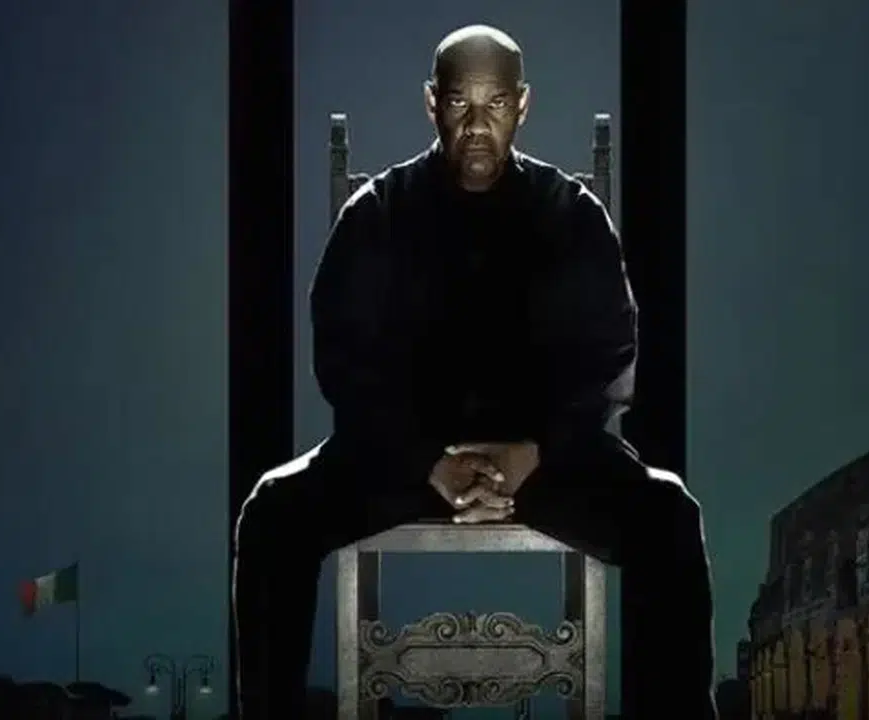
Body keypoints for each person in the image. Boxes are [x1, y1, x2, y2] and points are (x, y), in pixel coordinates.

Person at [234, 24, 716, 719]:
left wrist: (535, 452)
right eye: (461, 104)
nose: (478, 126)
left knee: (669, 517)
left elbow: (610, 354)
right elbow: (341, 359)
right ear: (432, 103)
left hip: (544, 461)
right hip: (401, 461)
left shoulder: (571, 213)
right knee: (271, 515)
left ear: (523, 104)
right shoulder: (377, 214)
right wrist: (426, 459)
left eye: (495, 104)